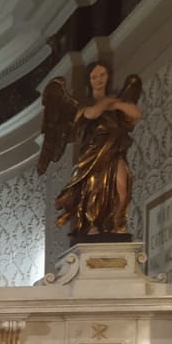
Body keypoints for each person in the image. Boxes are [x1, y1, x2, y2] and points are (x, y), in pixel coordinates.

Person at [39, 61, 143, 236]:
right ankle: (93, 224)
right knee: (94, 189)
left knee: (121, 186)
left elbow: (136, 113)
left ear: (108, 76)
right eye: (94, 77)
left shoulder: (117, 102)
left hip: (114, 152)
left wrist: (116, 104)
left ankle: (117, 222)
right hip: (93, 154)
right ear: (89, 80)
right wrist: (109, 102)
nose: (99, 79)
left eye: (102, 75)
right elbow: (91, 113)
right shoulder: (83, 104)